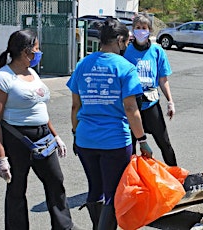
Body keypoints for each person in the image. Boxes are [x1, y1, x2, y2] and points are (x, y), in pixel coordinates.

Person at [66, 18, 153, 230]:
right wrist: (142, 140)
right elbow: (131, 109)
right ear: (120, 40)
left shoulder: (83, 64)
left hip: (86, 138)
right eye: (126, 41)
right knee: (114, 193)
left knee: (95, 189)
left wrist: (76, 134)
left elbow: (75, 106)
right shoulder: (126, 68)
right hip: (114, 141)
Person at [0, 29, 75, 229]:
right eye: (37, 49)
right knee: (17, 189)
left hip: (43, 136)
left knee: (56, 181)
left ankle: (63, 226)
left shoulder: (32, 72)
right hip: (18, 139)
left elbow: (40, 108)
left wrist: (55, 136)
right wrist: (1, 158)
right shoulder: (2, 79)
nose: (39, 52)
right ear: (26, 52)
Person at [123, 14, 178, 166]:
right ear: (133, 30)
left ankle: (176, 176)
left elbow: (163, 79)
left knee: (164, 142)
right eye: (138, 28)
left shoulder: (157, 51)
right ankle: (133, 181)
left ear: (150, 30)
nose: (141, 31)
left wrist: (170, 102)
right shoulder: (126, 51)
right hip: (131, 104)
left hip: (151, 103)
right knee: (130, 147)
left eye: (144, 28)